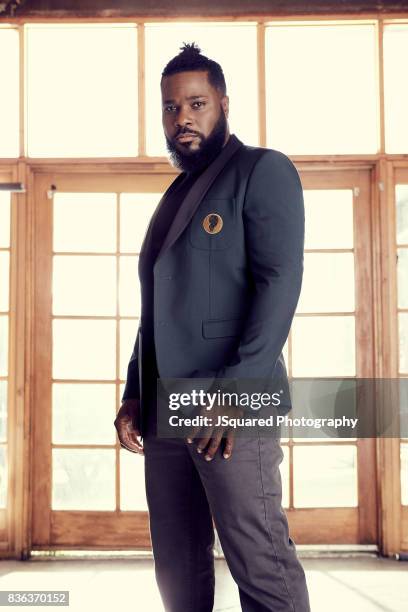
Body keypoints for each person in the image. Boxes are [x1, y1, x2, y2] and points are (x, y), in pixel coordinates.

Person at [114, 42, 311, 612]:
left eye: (196, 104)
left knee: (259, 558)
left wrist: (236, 395)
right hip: (165, 409)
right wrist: (134, 393)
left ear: (223, 104)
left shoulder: (261, 170)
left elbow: (280, 286)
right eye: (171, 109)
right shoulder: (175, 195)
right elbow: (157, 308)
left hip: (230, 406)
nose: (183, 119)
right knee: (176, 565)